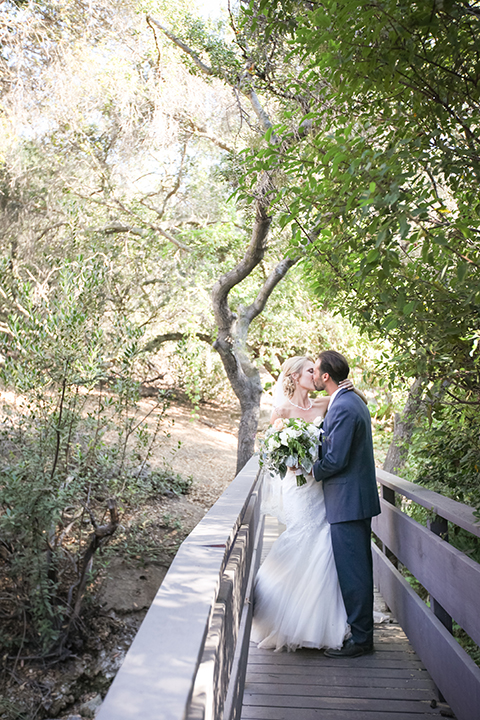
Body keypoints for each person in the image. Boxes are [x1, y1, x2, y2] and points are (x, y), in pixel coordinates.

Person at [251, 355, 364, 652]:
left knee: (324, 546)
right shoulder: (281, 411)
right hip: (299, 488)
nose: (315, 375)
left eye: (317, 370)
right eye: (310, 371)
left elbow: (346, 405)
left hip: (322, 486)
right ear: (295, 376)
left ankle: (321, 624)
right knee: (300, 538)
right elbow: (274, 453)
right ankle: (272, 609)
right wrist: (291, 463)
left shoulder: (324, 404)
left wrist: (350, 386)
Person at [313, 349, 381, 658]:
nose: (313, 376)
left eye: (315, 371)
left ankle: (362, 640)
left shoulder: (343, 406)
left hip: (348, 501)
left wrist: (310, 470)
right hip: (353, 500)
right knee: (357, 569)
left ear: (326, 376)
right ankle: (360, 633)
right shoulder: (348, 400)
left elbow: (336, 459)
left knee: (354, 573)